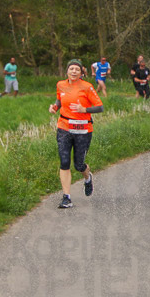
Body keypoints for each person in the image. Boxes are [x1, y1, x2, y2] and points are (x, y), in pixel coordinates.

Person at [49, 59, 104, 209]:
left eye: (77, 70)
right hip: (64, 127)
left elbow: (100, 107)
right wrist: (54, 107)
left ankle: (87, 177)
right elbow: (60, 100)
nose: (74, 71)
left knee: (79, 165)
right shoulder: (60, 85)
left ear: (81, 73)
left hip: (83, 130)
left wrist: (84, 110)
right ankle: (66, 197)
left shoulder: (87, 87)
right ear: (67, 71)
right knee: (64, 161)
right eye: (71, 69)